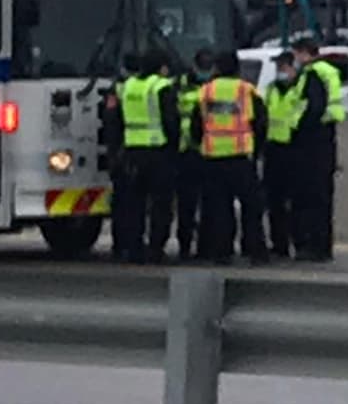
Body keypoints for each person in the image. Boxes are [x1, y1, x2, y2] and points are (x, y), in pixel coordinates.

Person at [190, 50, 269, 265]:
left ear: (216, 67)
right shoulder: (246, 91)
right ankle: (254, 250)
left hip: (213, 157)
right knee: (251, 206)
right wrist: (257, 148)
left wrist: (203, 144)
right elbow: (261, 124)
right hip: (241, 157)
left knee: (218, 208)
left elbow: (196, 126)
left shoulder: (206, 92)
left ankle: (221, 251)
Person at [111, 50, 180, 263]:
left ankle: (134, 248)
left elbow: (117, 120)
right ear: (161, 68)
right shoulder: (160, 87)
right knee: (160, 204)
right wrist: (174, 147)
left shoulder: (128, 86)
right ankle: (156, 248)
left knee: (134, 204)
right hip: (157, 152)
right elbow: (171, 122)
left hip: (132, 151)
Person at [289, 34, 344, 262]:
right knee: (322, 198)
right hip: (326, 138)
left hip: (313, 142)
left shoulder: (313, 74)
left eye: (296, 55)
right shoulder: (328, 70)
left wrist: (300, 128)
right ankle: (322, 246)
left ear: (303, 53)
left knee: (312, 197)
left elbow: (314, 107)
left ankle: (314, 247)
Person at [262, 51, 303, 259]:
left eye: (284, 67)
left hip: (293, 150)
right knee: (274, 201)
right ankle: (279, 244)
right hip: (273, 150)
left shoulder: (299, 90)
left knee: (294, 201)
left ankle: (297, 242)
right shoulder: (271, 89)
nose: (280, 71)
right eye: (278, 67)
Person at [174, 49, 214, 260]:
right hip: (188, 151)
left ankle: (204, 247)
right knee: (187, 204)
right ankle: (185, 245)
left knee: (207, 203)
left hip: (208, 150)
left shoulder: (215, 87)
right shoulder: (180, 84)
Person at [103, 51, 142, 262]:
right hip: (135, 151)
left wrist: (112, 153)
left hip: (122, 152)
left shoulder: (118, 89)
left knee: (122, 202)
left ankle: (121, 244)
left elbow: (109, 122)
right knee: (135, 203)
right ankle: (133, 244)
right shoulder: (149, 88)